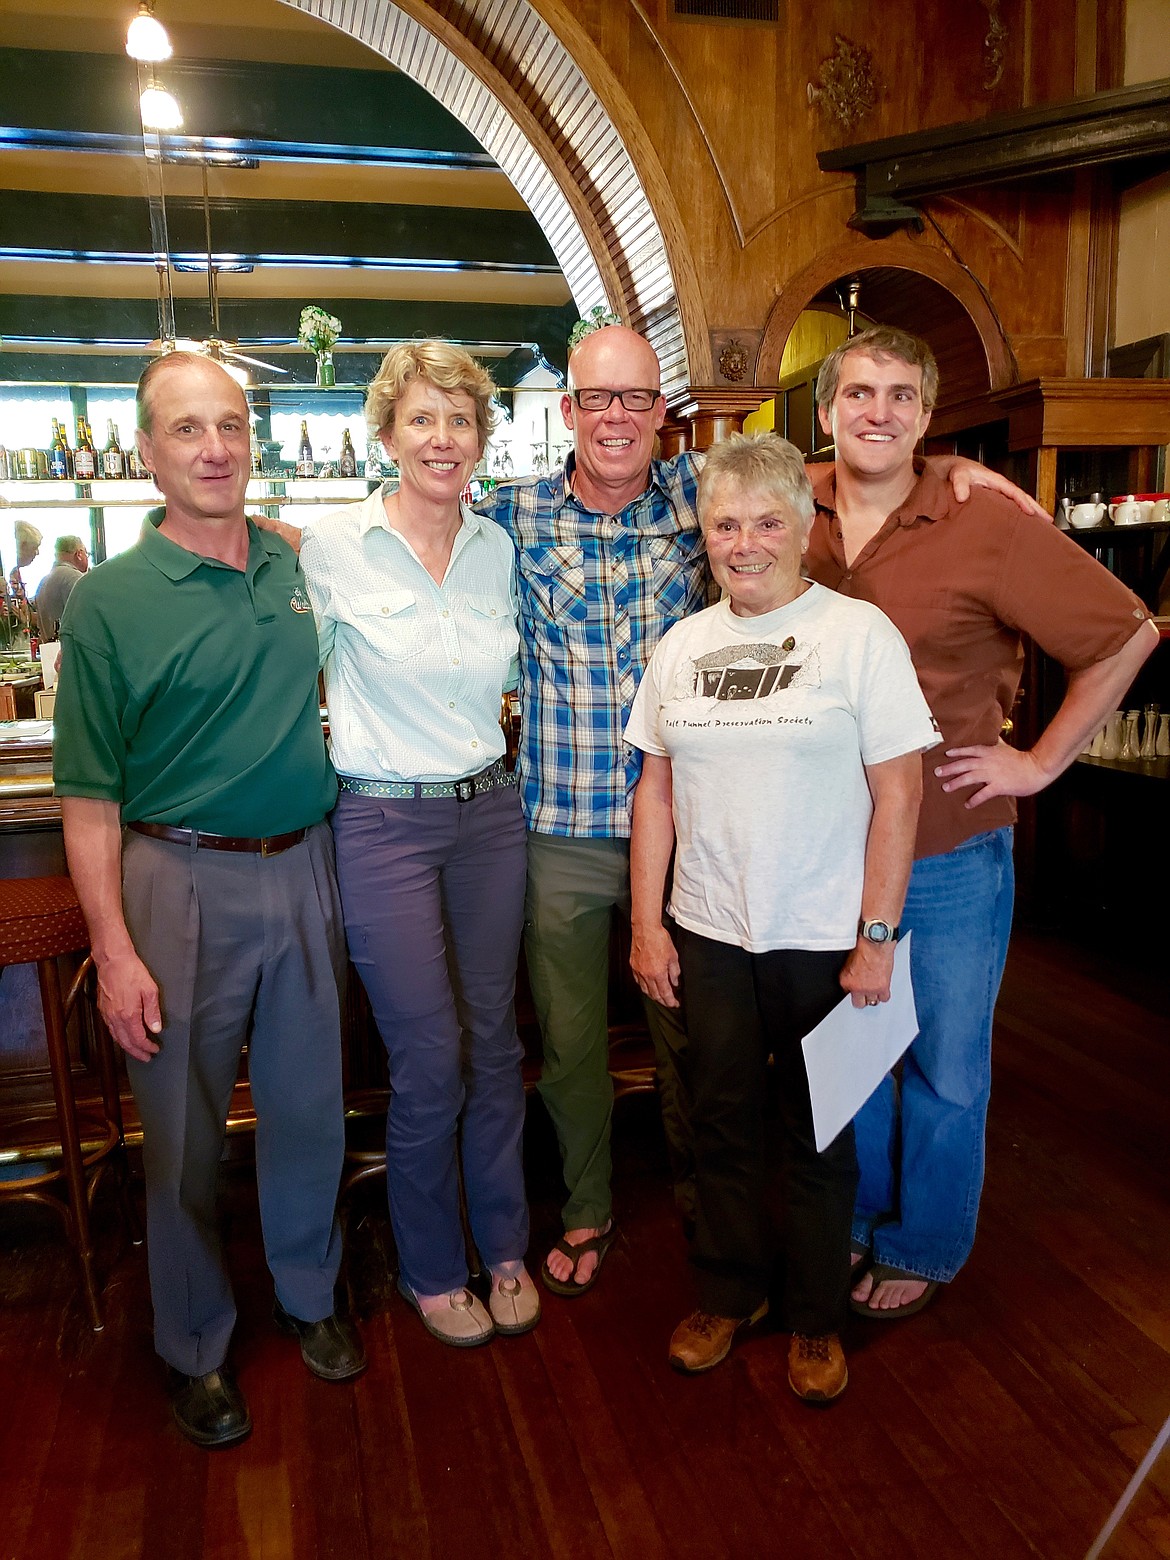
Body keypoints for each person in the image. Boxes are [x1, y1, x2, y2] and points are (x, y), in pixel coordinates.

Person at [483, 321, 1042, 1296]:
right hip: (578, 828)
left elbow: (794, 475)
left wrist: (948, 466)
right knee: (584, 1051)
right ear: (565, 410)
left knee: (734, 1079)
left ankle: (764, 1249)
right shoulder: (511, 517)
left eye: (635, 399)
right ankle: (614, 1220)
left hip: (751, 864)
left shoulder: (720, 507)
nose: (616, 417)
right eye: (595, 399)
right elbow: (424, 505)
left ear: (663, 414)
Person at [806, 325, 1159, 1318]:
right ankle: (860, 1220)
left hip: (953, 838)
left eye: (901, 396)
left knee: (946, 1060)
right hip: (829, 843)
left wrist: (1042, 760)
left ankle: (925, 1244)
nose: (878, 411)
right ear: (827, 410)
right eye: (860, 393)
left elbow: (1129, 631)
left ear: (924, 417)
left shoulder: (984, 523)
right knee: (854, 1053)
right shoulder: (795, 509)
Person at [53, 351, 365, 1452]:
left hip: (304, 864)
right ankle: (192, 1345)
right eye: (186, 430)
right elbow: (86, 798)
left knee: (307, 1107)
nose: (215, 447)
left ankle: (309, 1293)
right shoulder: (106, 600)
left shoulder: (292, 566)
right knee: (180, 1137)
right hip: (172, 878)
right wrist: (115, 950)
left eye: (230, 424)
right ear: (146, 453)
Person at [626, 432, 939, 1401]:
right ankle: (729, 1295)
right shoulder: (681, 649)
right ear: (707, 538)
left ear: (805, 529)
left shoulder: (858, 636)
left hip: (825, 941)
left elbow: (900, 793)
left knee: (818, 1138)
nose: (746, 542)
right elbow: (655, 795)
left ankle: (814, 1318)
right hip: (711, 933)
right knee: (719, 1128)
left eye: (768, 521)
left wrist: (877, 937)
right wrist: (647, 925)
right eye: (726, 524)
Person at [300, 341, 538, 1348]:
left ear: (483, 438)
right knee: (430, 1055)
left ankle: (507, 1243)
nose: (444, 439)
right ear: (387, 434)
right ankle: (434, 1266)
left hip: (490, 815)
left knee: (495, 1042)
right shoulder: (329, 547)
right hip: (384, 820)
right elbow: (286, 681)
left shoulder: (500, 546)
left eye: (462, 420)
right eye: (423, 420)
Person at [35, 533, 88, 639]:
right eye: (87, 554)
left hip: (49, 649)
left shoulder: (43, 582)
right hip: (70, 650)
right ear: (79, 554)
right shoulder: (75, 578)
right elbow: (86, 620)